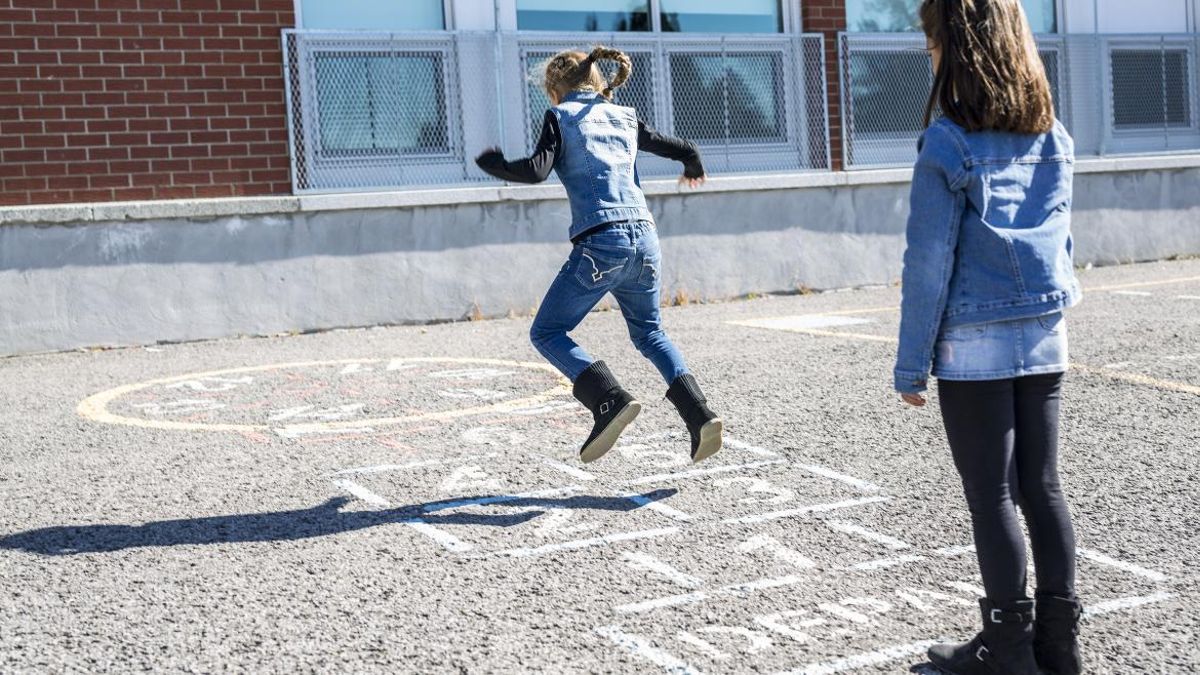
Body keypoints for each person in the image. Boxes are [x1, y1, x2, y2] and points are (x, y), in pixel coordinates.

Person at [894, 1, 1084, 673]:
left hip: (974, 336)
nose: (928, 53)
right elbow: (1061, 238)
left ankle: (1007, 646)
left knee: (994, 494)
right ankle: (1059, 646)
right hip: (1045, 330)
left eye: (932, 40)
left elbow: (927, 261)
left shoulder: (948, 140)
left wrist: (911, 364)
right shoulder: (1052, 132)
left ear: (958, 46)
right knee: (1043, 484)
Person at [475, 46, 722, 465]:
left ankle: (607, 399)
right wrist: (693, 164)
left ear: (555, 89)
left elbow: (536, 170)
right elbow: (679, 146)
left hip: (601, 242)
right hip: (645, 240)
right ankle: (700, 415)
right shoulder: (624, 116)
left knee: (547, 332)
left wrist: (496, 164)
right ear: (596, 81)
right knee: (650, 334)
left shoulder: (560, 116)